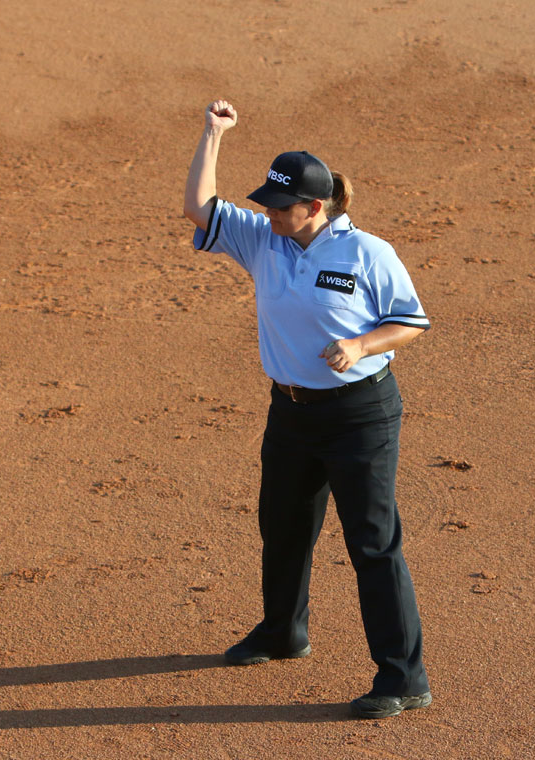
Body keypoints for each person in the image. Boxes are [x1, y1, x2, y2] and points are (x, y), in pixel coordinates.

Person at [183, 100, 433, 719]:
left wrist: (360, 344)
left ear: (315, 208)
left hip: (359, 416)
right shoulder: (264, 240)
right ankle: (282, 632)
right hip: (291, 412)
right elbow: (199, 207)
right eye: (265, 201)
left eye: (278, 204)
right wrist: (212, 134)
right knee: (284, 527)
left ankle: (404, 678)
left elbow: (410, 322)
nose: (266, 211)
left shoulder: (368, 253)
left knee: (372, 543)